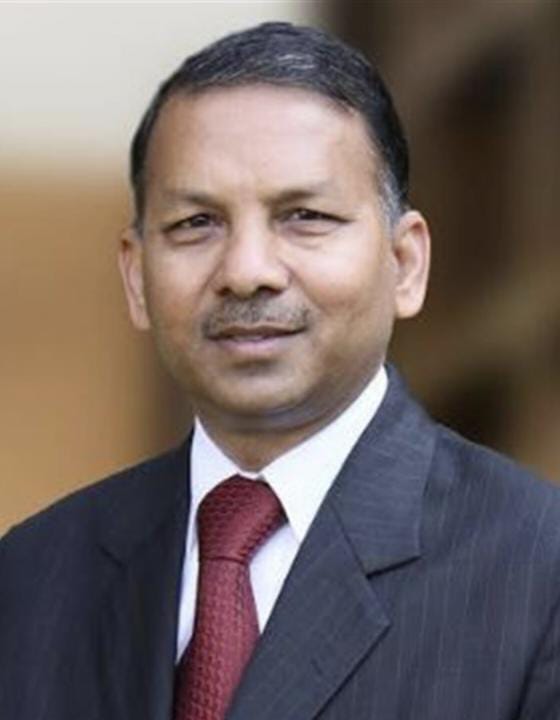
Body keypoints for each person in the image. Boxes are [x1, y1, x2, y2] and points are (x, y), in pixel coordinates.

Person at [1, 21, 559, 720]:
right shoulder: (32, 576)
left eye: (304, 216)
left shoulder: (538, 570)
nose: (246, 271)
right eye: (196, 224)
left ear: (405, 264)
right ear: (137, 277)